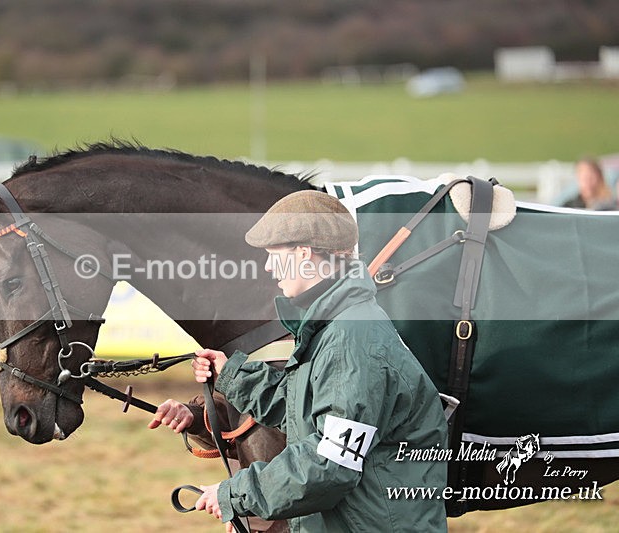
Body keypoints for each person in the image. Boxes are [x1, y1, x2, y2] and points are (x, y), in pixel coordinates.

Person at [174, 190, 448, 531]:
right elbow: (302, 407)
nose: (269, 266)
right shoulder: (337, 326)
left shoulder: (352, 341)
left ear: (304, 253)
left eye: (275, 255)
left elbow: (330, 462)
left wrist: (234, 494)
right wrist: (232, 374)